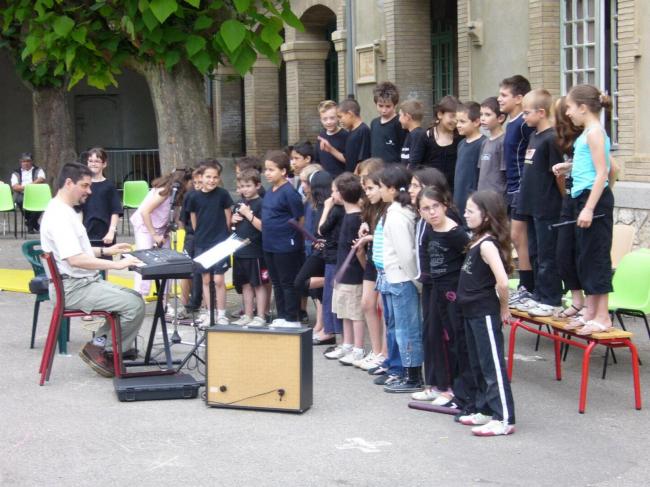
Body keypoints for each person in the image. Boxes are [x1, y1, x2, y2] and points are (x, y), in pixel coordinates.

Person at [40, 162, 145, 378]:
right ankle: (107, 351)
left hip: (79, 283)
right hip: (73, 287)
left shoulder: (64, 211)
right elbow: (76, 259)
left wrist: (107, 250)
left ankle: (101, 347)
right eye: (85, 186)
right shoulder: (60, 216)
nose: (89, 191)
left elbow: (78, 252)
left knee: (133, 297)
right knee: (133, 305)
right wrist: (116, 264)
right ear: (69, 183)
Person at [457, 190, 515, 436]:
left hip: (484, 312)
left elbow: (502, 282)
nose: (466, 215)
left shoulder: (488, 244)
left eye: (471, 211)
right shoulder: (477, 241)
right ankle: (485, 409)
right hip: (470, 311)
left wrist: (504, 308)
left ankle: (504, 417)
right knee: (478, 364)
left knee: (492, 366)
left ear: (487, 216)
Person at [416, 186, 476, 412]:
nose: (431, 212)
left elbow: (472, 261)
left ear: (444, 206)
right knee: (435, 335)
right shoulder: (430, 230)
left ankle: (455, 389)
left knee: (455, 339)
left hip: (454, 294)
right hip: (436, 291)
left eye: (435, 207)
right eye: (425, 209)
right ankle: (442, 384)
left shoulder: (456, 233)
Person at [562, 84, 615, 334]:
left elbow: (603, 171)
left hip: (593, 201)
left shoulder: (594, 132)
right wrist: (569, 168)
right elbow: (591, 167)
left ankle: (603, 316)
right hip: (582, 197)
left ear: (583, 108)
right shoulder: (587, 133)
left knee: (595, 257)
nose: (568, 113)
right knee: (584, 257)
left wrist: (589, 208)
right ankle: (591, 312)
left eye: (570, 108)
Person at [514, 89, 564, 317]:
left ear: (541, 112)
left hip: (548, 207)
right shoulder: (534, 136)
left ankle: (551, 297)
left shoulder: (552, 138)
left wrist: (563, 200)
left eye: (526, 113)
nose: (523, 117)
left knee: (547, 254)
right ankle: (538, 293)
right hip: (532, 206)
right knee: (535, 252)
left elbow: (558, 175)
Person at [377, 165, 423, 393]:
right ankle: (406, 371)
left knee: (407, 328)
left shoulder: (397, 215)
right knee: (402, 326)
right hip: (398, 277)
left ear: (393, 189)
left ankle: (413, 375)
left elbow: (406, 254)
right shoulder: (399, 211)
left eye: (382, 187)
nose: (380, 191)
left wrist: (417, 280)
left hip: (403, 278)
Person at [497, 74, 535, 299]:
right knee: (516, 237)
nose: (499, 99)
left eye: (504, 95)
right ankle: (526, 283)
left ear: (519, 98)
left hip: (522, 188)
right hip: (511, 188)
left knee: (519, 237)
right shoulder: (511, 123)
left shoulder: (524, 123)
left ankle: (527, 285)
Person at [324, 173, 366, 365]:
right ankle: (347, 344)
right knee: (343, 311)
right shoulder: (348, 216)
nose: (332, 194)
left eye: (334, 191)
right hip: (343, 271)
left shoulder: (356, 218)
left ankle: (357, 348)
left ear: (341, 194)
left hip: (353, 274)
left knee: (354, 312)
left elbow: (357, 251)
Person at [130, 168, 192, 296]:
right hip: (146, 228)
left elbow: (175, 215)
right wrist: (154, 235)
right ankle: (140, 295)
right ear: (184, 181)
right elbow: (145, 212)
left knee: (167, 262)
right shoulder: (164, 192)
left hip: (162, 229)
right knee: (144, 260)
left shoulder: (178, 195)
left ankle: (164, 300)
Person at [262, 150, 305, 327]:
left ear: (283, 171)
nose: (267, 173)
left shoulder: (289, 192)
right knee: (277, 281)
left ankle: (292, 317)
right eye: (266, 170)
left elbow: (300, 218)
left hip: (286, 244)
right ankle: (281, 315)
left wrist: (294, 238)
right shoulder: (270, 190)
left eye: (271, 170)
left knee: (287, 281)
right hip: (269, 243)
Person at [187, 160, 233, 325]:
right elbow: (193, 219)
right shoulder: (193, 196)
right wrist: (200, 234)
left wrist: (224, 234)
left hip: (220, 242)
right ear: (201, 177)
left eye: (215, 177)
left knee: (219, 279)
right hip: (202, 242)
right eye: (208, 177)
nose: (212, 180)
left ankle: (221, 313)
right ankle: (209, 311)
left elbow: (228, 217)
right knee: (206, 279)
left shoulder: (223, 194)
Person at [354, 158, 387, 371]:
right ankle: (375, 350)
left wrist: (371, 237)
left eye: (367, 184)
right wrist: (364, 227)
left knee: (384, 307)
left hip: (384, 259)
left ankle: (385, 353)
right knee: (367, 303)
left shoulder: (388, 206)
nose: (364, 188)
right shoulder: (367, 205)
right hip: (372, 258)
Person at [230, 169, 268, 327]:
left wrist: (248, 214)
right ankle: (248, 314)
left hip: (255, 251)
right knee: (245, 284)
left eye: (248, 185)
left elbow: (263, 227)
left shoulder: (262, 204)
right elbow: (232, 226)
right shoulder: (238, 203)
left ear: (258, 185)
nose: (244, 189)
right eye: (241, 186)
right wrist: (233, 219)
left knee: (258, 284)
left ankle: (261, 315)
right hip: (240, 250)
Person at [81, 148, 121, 248]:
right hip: (85, 232)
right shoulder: (82, 185)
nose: (93, 164)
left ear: (104, 164)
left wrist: (111, 231)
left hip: (105, 234)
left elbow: (115, 211)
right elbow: (78, 209)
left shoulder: (109, 186)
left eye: (97, 161)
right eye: (90, 161)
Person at [178, 166, 204, 315]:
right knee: (187, 270)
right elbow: (182, 219)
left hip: (206, 237)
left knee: (204, 272)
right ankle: (185, 304)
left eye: (201, 182)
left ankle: (205, 306)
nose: (198, 185)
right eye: (195, 182)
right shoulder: (190, 195)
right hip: (191, 236)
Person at [453, 102, 485, 220]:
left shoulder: (483, 144)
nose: (458, 125)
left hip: (473, 200)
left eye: (462, 121)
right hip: (458, 199)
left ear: (476, 122)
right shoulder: (461, 144)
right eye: (457, 121)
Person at [320, 98, 371, 173]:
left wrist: (354, 177)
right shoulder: (351, 131)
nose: (339, 121)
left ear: (350, 114)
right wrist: (330, 149)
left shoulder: (363, 130)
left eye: (340, 117)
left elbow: (363, 160)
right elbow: (347, 159)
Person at [427, 96, 462, 189]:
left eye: (458, 117)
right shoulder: (426, 136)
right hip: (431, 190)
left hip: (454, 190)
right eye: (452, 116)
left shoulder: (461, 138)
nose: (455, 121)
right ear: (440, 114)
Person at [370, 81, 407, 163]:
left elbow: (404, 149)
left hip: (393, 171)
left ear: (395, 105)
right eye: (380, 106)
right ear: (375, 104)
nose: (384, 110)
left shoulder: (400, 123)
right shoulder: (374, 123)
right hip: (375, 170)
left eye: (388, 106)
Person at [477, 97, 507, 194]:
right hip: (482, 197)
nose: (482, 118)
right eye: (481, 114)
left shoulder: (503, 142)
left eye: (488, 114)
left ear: (500, 118)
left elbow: (505, 174)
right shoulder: (485, 142)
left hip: (496, 198)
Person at [11, 152, 46, 234]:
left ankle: (30, 223)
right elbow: (15, 186)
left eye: (28, 161)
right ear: (20, 162)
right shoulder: (16, 172)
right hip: (22, 194)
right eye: (24, 161)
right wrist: (27, 188)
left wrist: (29, 186)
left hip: (36, 194)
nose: (26, 163)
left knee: (42, 203)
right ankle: (33, 223)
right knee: (19, 201)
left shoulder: (38, 170)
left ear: (32, 162)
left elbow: (41, 179)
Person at [315, 100, 348, 178]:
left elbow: (349, 160)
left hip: (341, 179)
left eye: (332, 118)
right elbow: (317, 160)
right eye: (325, 119)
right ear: (321, 120)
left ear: (338, 118)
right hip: (325, 180)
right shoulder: (321, 136)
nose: (328, 122)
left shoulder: (345, 135)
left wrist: (331, 149)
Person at [399, 99, 432, 168]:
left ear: (407, 117)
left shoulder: (418, 135)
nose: (399, 119)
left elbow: (413, 163)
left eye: (400, 115)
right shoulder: (411, 134)